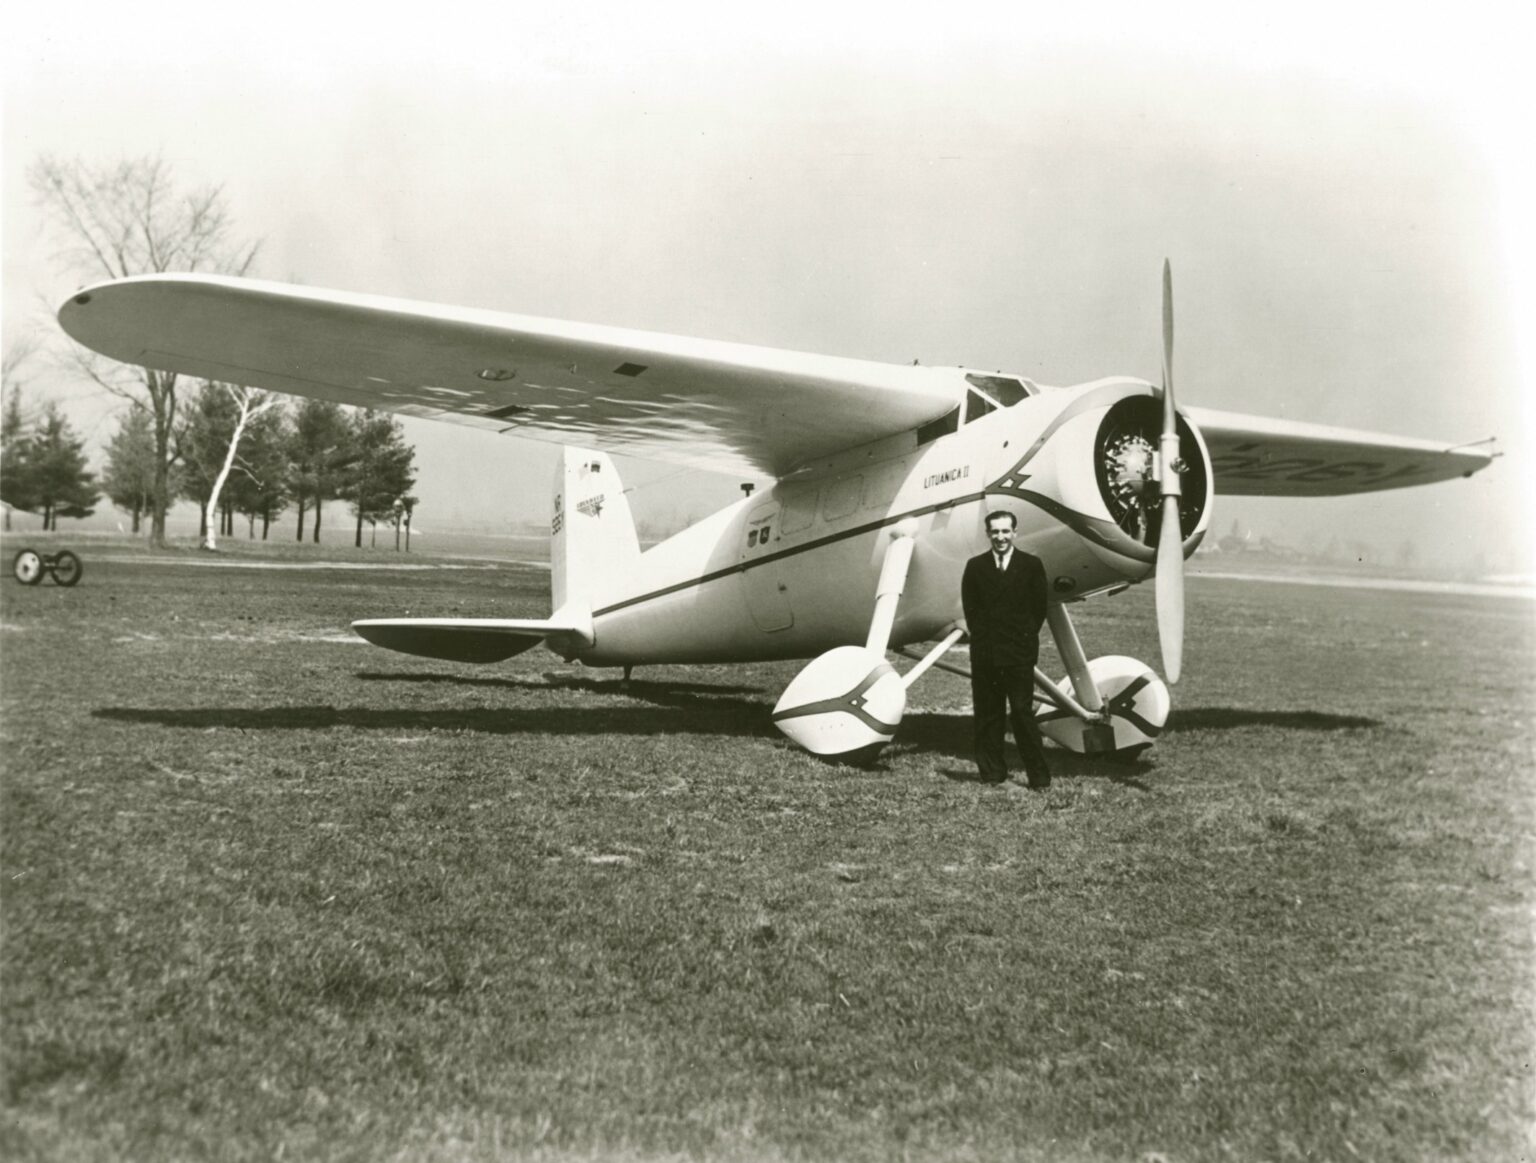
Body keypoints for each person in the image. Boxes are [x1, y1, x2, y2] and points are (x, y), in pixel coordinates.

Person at [960, 510, 1054, 788]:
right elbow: (971, 610)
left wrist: (1022, 641)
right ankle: (992, 774)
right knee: (988, 714)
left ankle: (1038, 777)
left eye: (1005, 531)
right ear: (988, 534)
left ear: (1015, 532)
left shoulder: (1031, 565)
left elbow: (1038, 610)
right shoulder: (975, 567)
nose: (1000, 537)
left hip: (1018, 654)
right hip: (986, 653)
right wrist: (984, 640)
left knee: (1022, 714)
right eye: (995, 532)